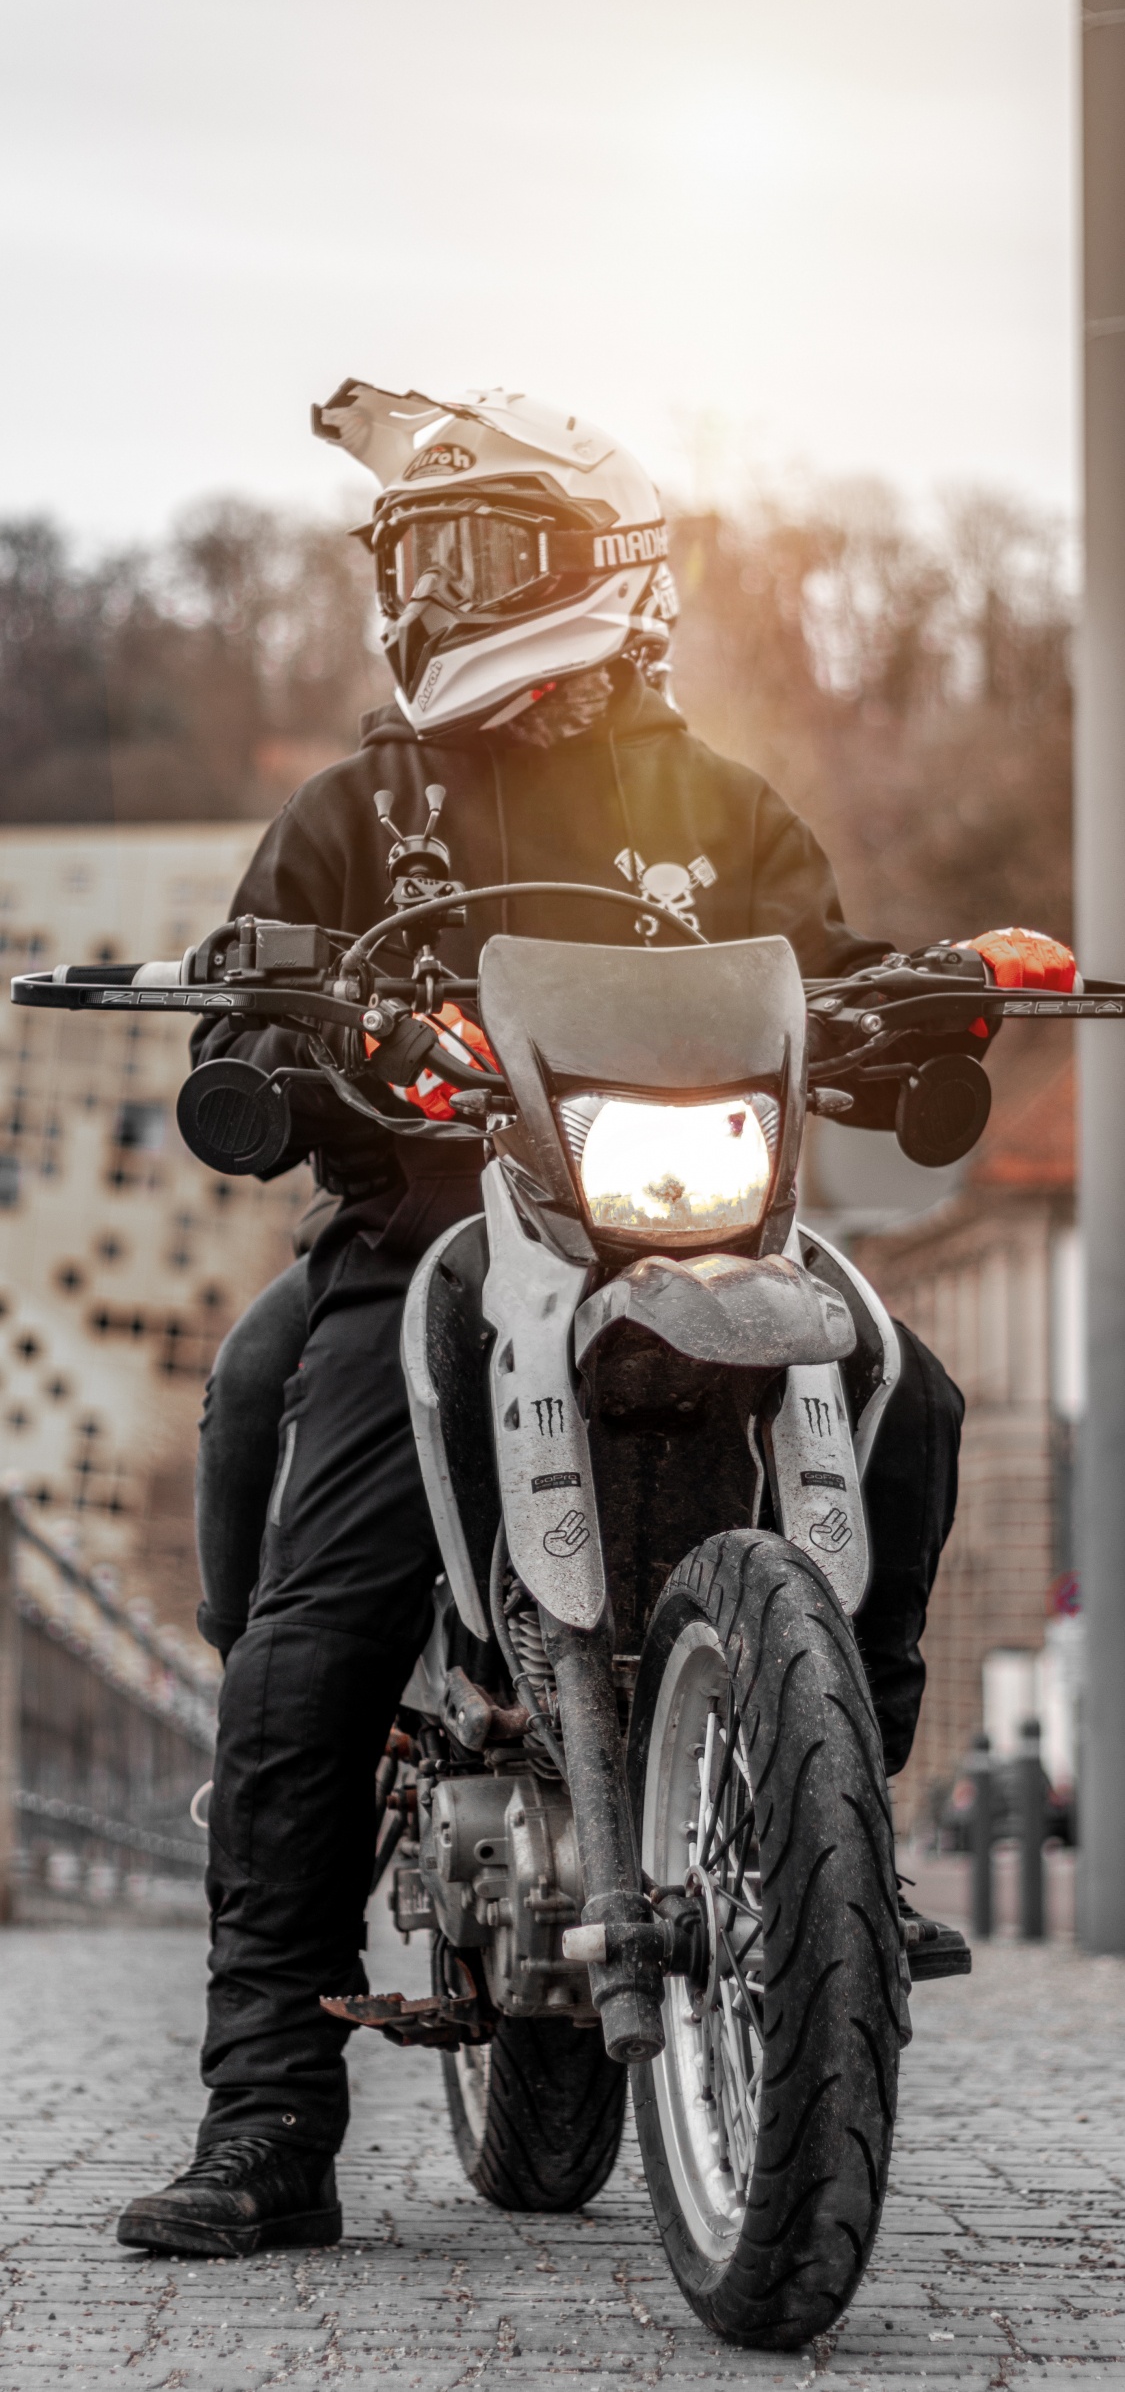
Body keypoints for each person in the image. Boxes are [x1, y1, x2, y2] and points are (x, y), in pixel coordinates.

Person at [117, 383, 1053, 2258]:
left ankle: (828, 1822)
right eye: (422, 560)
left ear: (599, 571)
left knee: (915, 1397)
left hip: (698, 1235)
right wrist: (270, 1037)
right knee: (312, 1636)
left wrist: (932, 995)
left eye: (482, 556)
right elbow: (244, 998)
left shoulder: (718, 804)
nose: (442, 591)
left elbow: (829, 970)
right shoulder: (362, 805)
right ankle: (268, 2117)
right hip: (435, 1250)